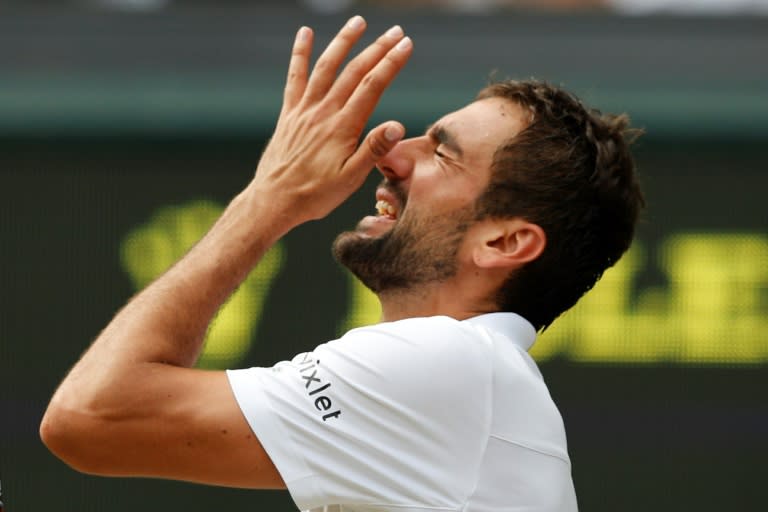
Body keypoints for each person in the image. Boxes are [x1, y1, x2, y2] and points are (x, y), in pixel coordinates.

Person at [40, 15, 643, 512]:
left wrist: (269, 199)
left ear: (504, 243)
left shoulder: (448, 363)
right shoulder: (462, 382)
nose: (391, 154)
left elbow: (93, 415)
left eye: (441, 153)